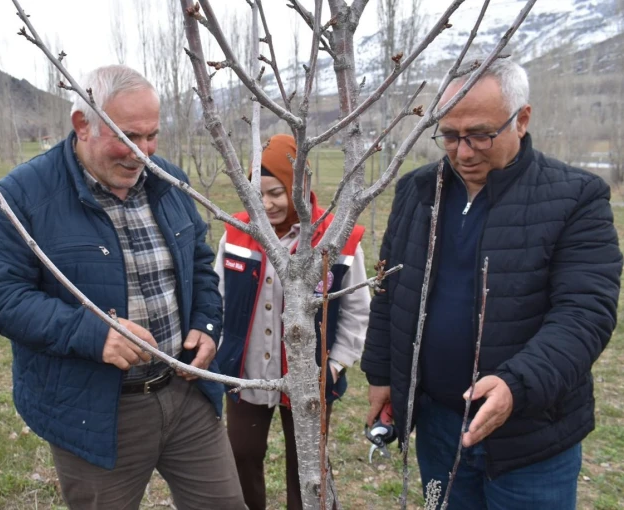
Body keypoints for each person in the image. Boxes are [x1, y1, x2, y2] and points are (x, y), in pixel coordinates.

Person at [0, 65, 244, 509]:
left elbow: (198, 262)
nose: (143, 152)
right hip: (94, 411)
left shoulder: (168, 181)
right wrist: (94, 334)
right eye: (128, 136)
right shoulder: (21, 196)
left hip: (185, 393)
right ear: (83, 124)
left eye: (152, 135)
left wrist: (207, 323)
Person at [361, 58, 622, 509]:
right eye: (449, 135)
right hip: (440, 427)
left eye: (480, 134)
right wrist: (382, 374)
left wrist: (516, 385)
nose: (463, 153)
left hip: (532, 436)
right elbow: (390, 293)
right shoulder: (417, 192)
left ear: (522, 119)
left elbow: (584, 314)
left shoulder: (576, 197)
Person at [215, 134, 371, 510]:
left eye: (276, 192)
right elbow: (217, 297)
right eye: (257, 194)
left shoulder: (337, 238)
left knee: (306, 467)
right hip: (248, 373)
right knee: (241, 454)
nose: (266, 204)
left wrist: (335, 364)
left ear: (299, 186)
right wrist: (222, 351)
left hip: (309, 378)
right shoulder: (236, 232)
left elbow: (356, 309)